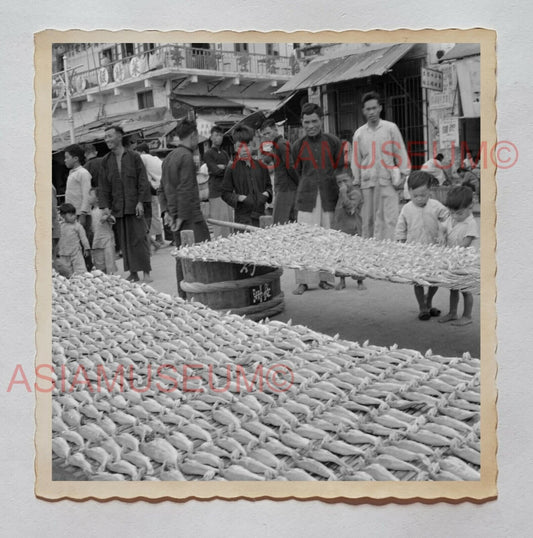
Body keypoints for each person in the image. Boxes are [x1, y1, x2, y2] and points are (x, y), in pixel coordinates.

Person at [291, 103, 343, 295]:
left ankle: (325, 279)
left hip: (329, 196)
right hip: (307, 198)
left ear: (322, 120)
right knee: (305, 240)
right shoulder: (297, 146)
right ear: (302, 123)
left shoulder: (333, 142)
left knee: (327, 239)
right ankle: (304, 282)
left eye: (314, 121)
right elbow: (296, 172)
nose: (311, 125)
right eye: (307, 122)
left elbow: (340, 167)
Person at [159, 119, 210, 297]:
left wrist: (167, 213)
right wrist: (179, 216)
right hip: (189, 218)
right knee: (200, 257)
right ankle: (198, 297)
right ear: (193, 136)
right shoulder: (186, 157)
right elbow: (185, 188)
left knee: (182, 259)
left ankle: (184, 296)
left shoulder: (168, 158)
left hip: (176, 217)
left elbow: (161, 189)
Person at [352, 91, 410, 240]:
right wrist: (356, 181)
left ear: (380, 108)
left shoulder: (390, 128)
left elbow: (400, 151)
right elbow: (356, 160)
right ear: (363, 111)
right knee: (368, 220)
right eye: (368, 109)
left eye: (374, 108)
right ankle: (369, 253)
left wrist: (403, 175)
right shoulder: (359, 134)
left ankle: (390, 251)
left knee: (390, 218)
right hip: (367, 183)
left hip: (387, 181)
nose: (371, 112)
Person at [99, 125, 152, 283]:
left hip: (134, 205)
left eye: (110, 136)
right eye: (105, 137)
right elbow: (103, 186)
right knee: (125, 242)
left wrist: (140, 202)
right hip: (118, 208)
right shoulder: (106, 161)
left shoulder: (134, 156)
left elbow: (142, 180)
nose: (107, 139)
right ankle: (133, 273)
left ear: (120, 137)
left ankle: (146, 271)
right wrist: (106, 207)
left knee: (139, 238)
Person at [395, 171, 449, 321]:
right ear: (410, 192)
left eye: (423, 195)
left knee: (435, 279)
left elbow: (447, 217)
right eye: (415, 195)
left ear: (429, 191)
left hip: (434, 250)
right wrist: (401, 245)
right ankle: (422, 307)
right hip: (414, 251)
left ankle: (429, 301)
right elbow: (400, 228)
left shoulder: (435, 206)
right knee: (418, 280)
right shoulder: (407, 209)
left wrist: (443, 232)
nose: (419, 199)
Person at [439, 186, 479, 326]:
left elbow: (466, 242)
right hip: (453, 259)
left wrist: (454, 251)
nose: (455, 216)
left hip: (465, 261)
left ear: (470, 206)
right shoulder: (452, 218)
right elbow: (443, 228)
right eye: (452, 212)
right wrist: (442, 235)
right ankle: (452, 312)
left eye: (459, 213)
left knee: (466, 289)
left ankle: (467, 316)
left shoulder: (471, 223)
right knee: (453, 287)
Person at [221, 125, 273, 227]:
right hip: (243, 218)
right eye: (240, 146)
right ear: (235, 148)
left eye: (247, 145)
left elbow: (269, 186)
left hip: (261, 215)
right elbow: (225, 193)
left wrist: (266, 194)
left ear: (252, 146)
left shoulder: (261, 166)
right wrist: (240, 198)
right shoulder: (231, 168)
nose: (244, 149)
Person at [332, 139, 366, 291]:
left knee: (356, 256)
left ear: (352, 179)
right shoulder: (340, 193)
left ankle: (359, 281)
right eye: (339, 183)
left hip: (353, 231)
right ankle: (342, 281)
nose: (342, 185)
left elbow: (351, 209)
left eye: (345, 181)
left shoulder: (355, 193)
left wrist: (344, 194)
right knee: (340, 257)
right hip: (340, 230)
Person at [259, 118, 299, 224]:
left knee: (280, 222)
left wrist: (299, 183)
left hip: (286, 188)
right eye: (265, 134)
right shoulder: (276, 145)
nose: (267, 136)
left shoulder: (281, 144)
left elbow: (290, 166)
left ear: (275, 129)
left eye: (268, 133)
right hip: (282, 187)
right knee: (286, 222)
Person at [64, 143, 93, 270]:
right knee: (75, 244)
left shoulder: (83, 173)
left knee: (84, 243)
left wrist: (83, 214)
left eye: (66, 157)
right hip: (72, 216)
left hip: (80, 215)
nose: (65, 160)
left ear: (75, 158)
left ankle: (89, 269)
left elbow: (87, 194)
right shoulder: (73, 173)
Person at [203, 125, 233, 238]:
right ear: (211, 137)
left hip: (227, 191)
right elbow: (215, 171)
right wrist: (226, 167)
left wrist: (223, 167)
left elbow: (231, 170)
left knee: (229, 221)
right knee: (220, 223)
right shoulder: (208, 154)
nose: (218, 138)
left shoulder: (225, 153)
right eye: (216, 135)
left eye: (220, 135)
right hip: (216, 192)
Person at [135, 142, 166, 249]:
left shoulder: (143, 157)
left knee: (153, 215)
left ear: (142, 152)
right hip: (161, 186)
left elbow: (141, 175)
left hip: (153, 189)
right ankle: (158, 239)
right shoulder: (155, 159)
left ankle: (158, 239)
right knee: (157, 213)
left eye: (137, 153)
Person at [57, 203, 91, 276]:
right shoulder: (60, 226)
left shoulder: (77, 226)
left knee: (80, 271)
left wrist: (86, 248)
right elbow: (57, 239)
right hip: (63, 253)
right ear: (63, 216)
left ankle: (83, 283)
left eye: (74, 214)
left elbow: (83, 238)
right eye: (71, 215)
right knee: (66, 272)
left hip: (76, 253)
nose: (74, 216)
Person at [88, 187, 117, 274]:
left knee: (109, 262)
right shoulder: (90, 211)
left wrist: (107, 217)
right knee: (99, 264)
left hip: (107, 240)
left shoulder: (103, 210)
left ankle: (112, 280)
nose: (88, 197)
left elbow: (113, 220)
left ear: (97, 198)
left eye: (90, 195)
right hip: (96, 242)